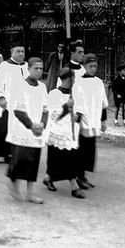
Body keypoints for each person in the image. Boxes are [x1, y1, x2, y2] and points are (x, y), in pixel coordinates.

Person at [5, 57, 48, 204]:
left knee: (34, 162)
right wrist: (31, 126)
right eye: (36, 68)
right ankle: (13, 183)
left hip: (37, 130)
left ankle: (30, 193)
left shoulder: (42, 87)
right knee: (21, 160)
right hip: (23, 129)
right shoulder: (20, 85)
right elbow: (18, 110)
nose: (39, 71)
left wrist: (42, 124)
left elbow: (45, 108)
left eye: (41, 69)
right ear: (28, 69)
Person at [42, 68, 85, 199]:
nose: (75, 81)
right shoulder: (54, 94)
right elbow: (54, 114)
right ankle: (74, 187)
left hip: (72, 131)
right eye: (73, 78)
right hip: (58, 131)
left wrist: (78, 114)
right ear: (68, 79)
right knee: (63, 158)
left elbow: (81, 107)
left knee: (68, 158)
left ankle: (48, 178)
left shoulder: (75, 93)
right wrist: (66, 106)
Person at [0, 42, 27, 162]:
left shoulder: (26, 66)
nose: (20, 54)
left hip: (21, 103)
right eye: (18, 51)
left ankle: (17, 152)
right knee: (4, 128)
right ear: (12, 52)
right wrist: (0, 98)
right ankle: (5, 153)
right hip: (7, 102)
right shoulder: (4, 66)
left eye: (22, 51)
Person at [73, 54, 108, 190]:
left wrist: (103, 120)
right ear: (85, 66)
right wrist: (79, 121)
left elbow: (103, 102)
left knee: (90, 150)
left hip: (95, 120)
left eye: (95, 66)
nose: (93, 69)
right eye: (90, 66)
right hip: (84, 121)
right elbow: (77, 103)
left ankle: (83, 176)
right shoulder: (79, 82)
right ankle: (78, 176)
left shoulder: (99, 82)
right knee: (81, 150)